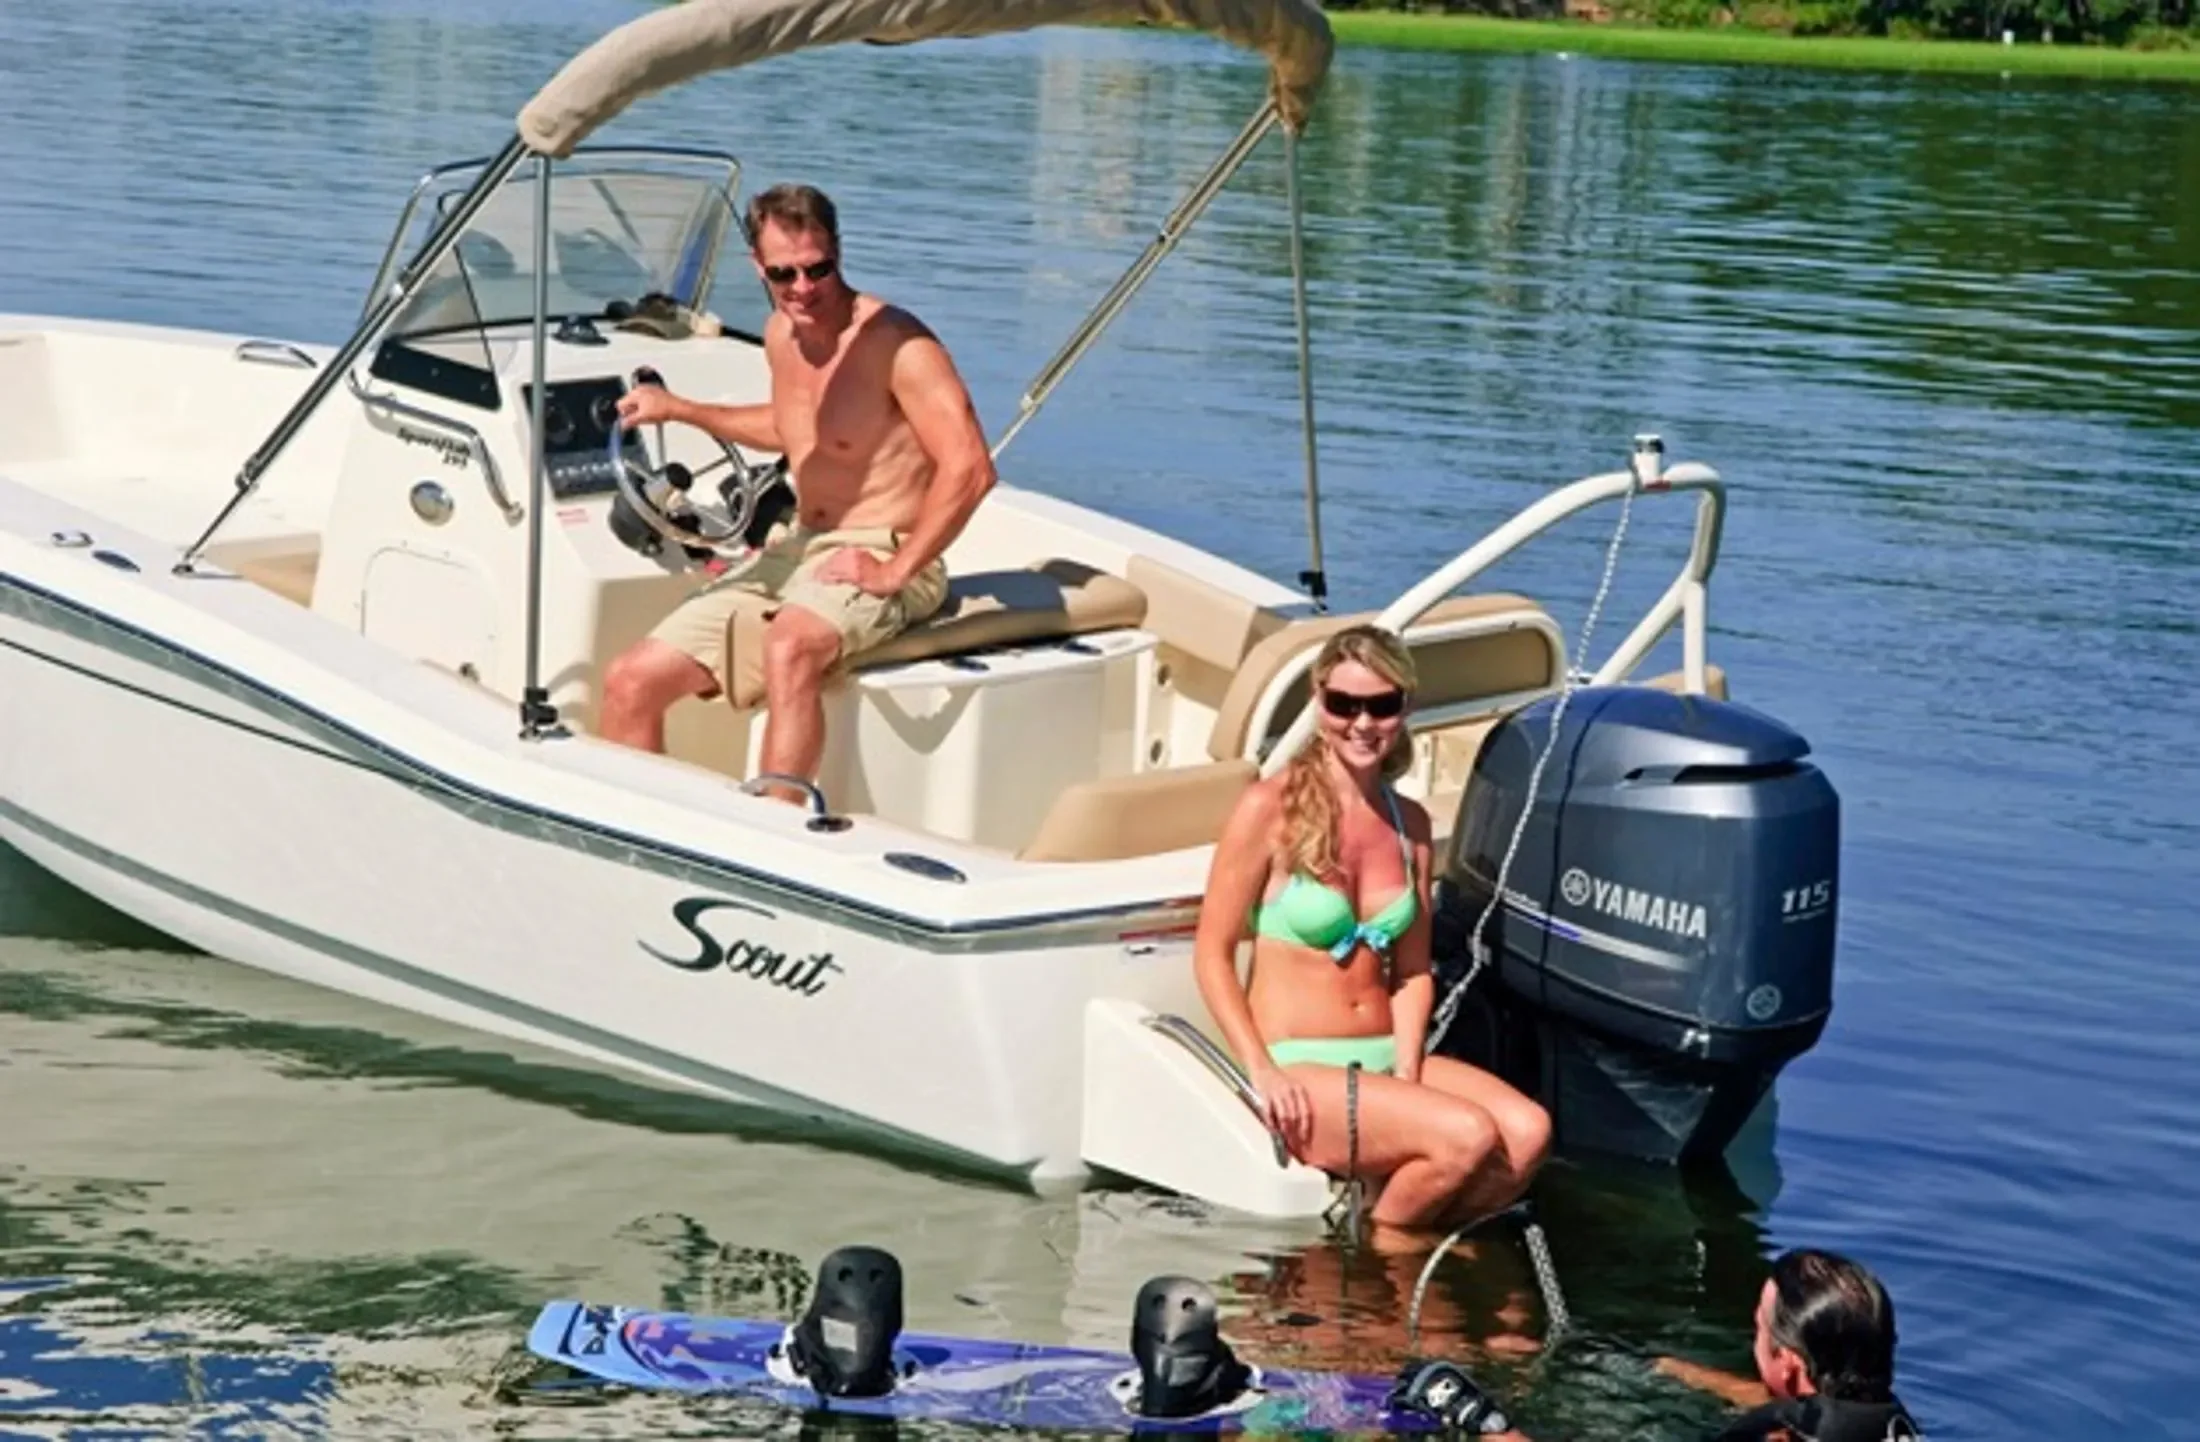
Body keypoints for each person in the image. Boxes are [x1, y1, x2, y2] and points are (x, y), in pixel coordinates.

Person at [596, 183, 995, 797]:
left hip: (887, 549)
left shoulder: (897, 344)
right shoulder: (782, 334)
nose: (803, 288)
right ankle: (641, 825)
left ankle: (775, 825)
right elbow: (792, 428)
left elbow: (970, 467)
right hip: (800, 545)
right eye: (784, 274)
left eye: (818, 269)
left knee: (788, 646)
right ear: (758, 266)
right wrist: (679, 409)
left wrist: (895, 571)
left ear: (838, 252)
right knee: (630, 681)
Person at [1192, 624, 1551, 1237]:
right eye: (1344, 704)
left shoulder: (1410, 825)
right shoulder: (1269, 809)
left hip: (1385, 1053)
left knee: (1527, 1133)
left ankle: (1404, 1236)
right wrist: (1261, 1070)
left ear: (1404, 708)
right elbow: (1212, 953)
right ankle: (1386, 1259)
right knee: (1465, 1135)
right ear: (1319, 701)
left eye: (1381, 706)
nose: (1362, 723)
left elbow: (1411, 973)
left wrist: (1407, 1073)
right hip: (1299, 1063)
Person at [1657, 1248, 1919, 1441]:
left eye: (1759, 1327)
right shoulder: (1890, 1422)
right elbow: (1798, 1408)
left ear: (1788, 1365)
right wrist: (1684, 1373)